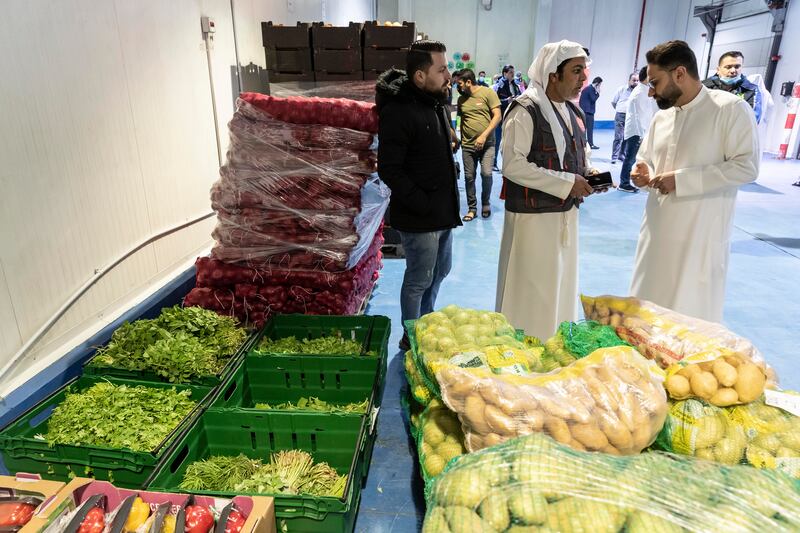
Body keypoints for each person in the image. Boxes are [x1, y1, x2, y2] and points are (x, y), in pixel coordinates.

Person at [630, 40, 759, 322]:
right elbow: (646, 158)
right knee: (646, 314)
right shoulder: (661, 118)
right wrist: (642, 171)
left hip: (699, 235)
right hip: (657, 230)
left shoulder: (730, 110)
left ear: (679, 74)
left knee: (689, 319)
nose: (651, 92)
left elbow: (746, 167)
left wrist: (682, 180)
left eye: (656, 82)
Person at [496, 40, 603, 340]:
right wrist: (568, 183)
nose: (584, 78)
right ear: (552, 74)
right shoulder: (525, 110)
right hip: (533, 220)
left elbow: (580, 157)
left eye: (585, 71)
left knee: (560, 283)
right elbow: (513, 165)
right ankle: (527, 347)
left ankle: (554, 341)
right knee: (532, 288)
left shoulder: (574, 113)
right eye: (576, 71)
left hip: (566, 217)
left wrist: (590, 175)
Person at [376, 40, 462, 349]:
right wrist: (421, 202)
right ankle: (411, 338)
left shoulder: (435, 103)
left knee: (440, 271)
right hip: (420, 215)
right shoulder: (399, 111)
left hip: (442, 210)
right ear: (420, 77)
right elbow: (389, 168)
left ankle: (426, 323)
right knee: (418, 279)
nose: (448, 75)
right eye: (441, 69)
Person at [454, 68, 502, 221]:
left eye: (459, 83)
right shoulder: (461, 100)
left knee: (486, 174)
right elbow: (462, 121)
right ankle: (472, 208)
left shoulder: (488, 93)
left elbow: (497, 116)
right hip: (468, 146)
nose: (458, 87)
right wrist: (459, 139)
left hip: (487, 144)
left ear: (469, 82)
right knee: (469, 177)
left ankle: (486, 202)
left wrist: (483, 136)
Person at [618, 66, 657, 193]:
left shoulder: (644, 90)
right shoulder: (640, 92)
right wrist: (641, 134)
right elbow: (638, 116)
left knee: (632, 158)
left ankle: (625, 182)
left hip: (638, 130)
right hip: (636, 131)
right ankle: (624, 183)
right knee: (630, 158)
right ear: (647, 77)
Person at [703, 51, 762, 123]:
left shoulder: (751, 90)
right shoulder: (704, 86)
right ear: (718, 70)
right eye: (728, 67)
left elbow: (752, 121)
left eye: (737, 67)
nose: (733, 70)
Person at [493, 65, 522, 171]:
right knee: (497, 140)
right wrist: (506, 100)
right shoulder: (499, 85)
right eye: (510, 72)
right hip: (501, 116)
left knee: (510, 143)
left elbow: (520, 95)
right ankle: (493, 162)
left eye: (513, 72)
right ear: (504, 73)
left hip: (513, 117)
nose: (512, 74)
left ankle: (509, 164)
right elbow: (494, 102)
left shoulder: (515, 85)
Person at [611, 72, 639, 162]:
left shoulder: (638, 91)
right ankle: (614, 157)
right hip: (620, 115)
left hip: (631, 117)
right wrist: (620, 109)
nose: (636, 82)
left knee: (626, 137)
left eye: (637, 81)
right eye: (634, 80)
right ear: (629, 80)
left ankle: (621, 155)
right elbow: (614, 102)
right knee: (618, 136)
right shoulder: (622, 89)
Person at [579, 76, 602, 149]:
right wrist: (598, 93)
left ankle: (584, 143)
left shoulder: (587, 88)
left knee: (585, 129)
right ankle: (590, 144)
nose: (600, 86)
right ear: (597, 84)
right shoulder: (590, 89)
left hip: (585, 111)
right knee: (589, 129)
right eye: (600, 85)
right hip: (588, 112)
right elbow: (593, 99)